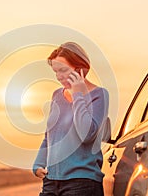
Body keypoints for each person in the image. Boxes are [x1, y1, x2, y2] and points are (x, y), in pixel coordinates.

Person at [33, 42, 109, 196]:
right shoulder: (56, 95)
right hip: (51, 181)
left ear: (79, 68)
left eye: (63, 70)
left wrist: (78, 95)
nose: (59, 76)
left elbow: (86, 135)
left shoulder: (99, 95)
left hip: (81, 183)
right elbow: (49, 135)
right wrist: (38, 163)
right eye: (55, 71)